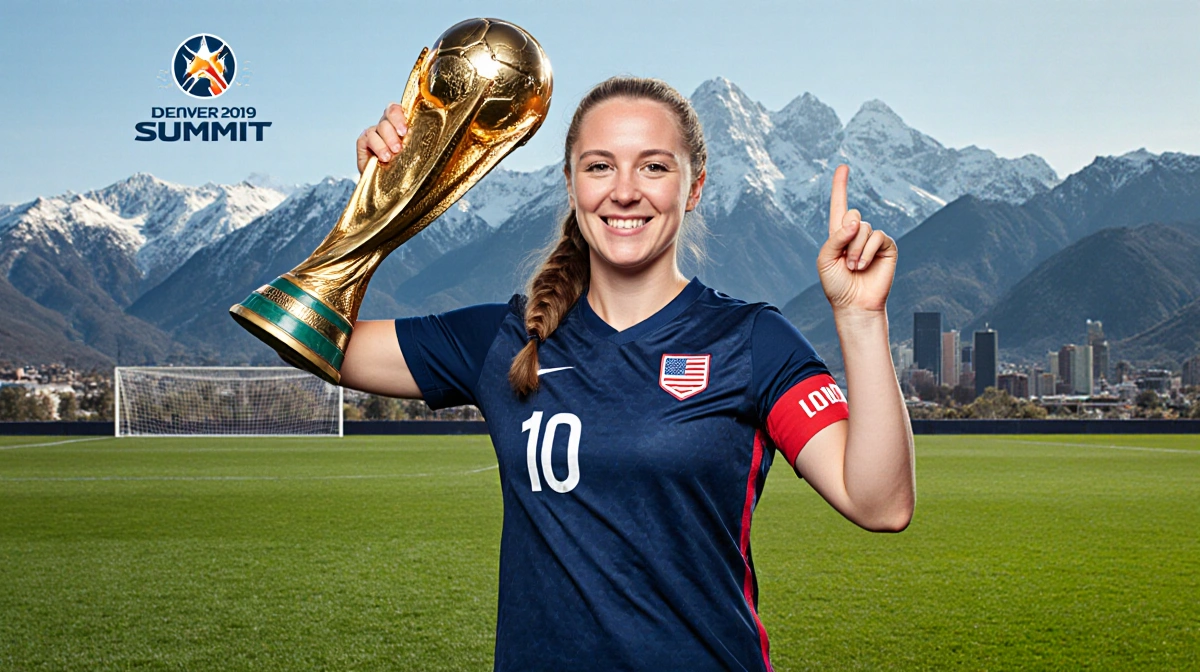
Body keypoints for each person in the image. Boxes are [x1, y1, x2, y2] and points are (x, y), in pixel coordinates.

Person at [343, 77, 914, 672]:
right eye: (598, 167)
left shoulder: (751, 341)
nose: (624, 191)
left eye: (653, 167)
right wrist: (379, 205)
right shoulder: (504, 339)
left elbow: (881, 504)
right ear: (570, 185)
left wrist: (862, 318)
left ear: (693, 187)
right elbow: (302, 335)